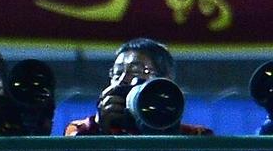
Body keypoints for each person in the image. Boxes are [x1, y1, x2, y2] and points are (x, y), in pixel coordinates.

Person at [64, 37, 213, 135]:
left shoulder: (196, 138)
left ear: (165, 80)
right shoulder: (81, 130)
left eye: (136, 71)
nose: (122, 80)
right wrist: (99, 129)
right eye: (117, 73)